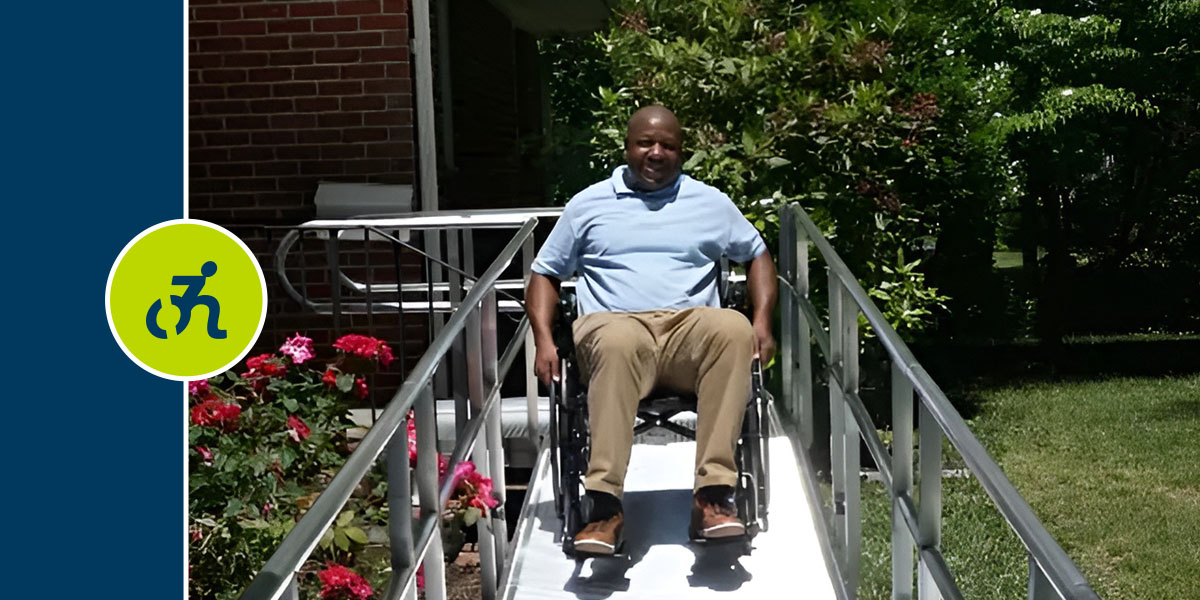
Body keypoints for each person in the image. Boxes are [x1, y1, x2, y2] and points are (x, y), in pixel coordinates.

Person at [526, 105, 778, 555]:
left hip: (689, 333)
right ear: (627, 146)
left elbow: (757, 253)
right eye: (645, 143)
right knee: (620, 341)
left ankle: (714, 498)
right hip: (615, 329)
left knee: (731, 327)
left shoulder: (710, 202)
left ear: (681, 152)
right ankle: (604, 508)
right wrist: (544, 339)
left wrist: (761, 321)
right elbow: (544, 274)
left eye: (668, 145)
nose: (656, 152)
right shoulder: (588, 204)